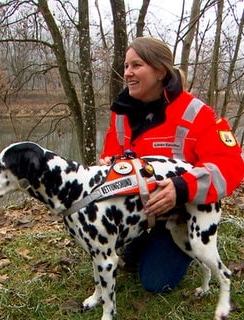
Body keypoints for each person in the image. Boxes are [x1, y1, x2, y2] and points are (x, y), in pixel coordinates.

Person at [99, 37, 244, 293]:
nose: (128, 73)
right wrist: (109, 162)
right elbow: (113, 150)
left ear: (160, 71)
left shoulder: (196, 113)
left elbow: (229, 165)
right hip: (141, 209)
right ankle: (143, 238)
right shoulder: (121, 111)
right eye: (126, 66)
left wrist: (180, 188)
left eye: (136, 65)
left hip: (183, 214)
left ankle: (184, 244)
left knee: (156, 283)